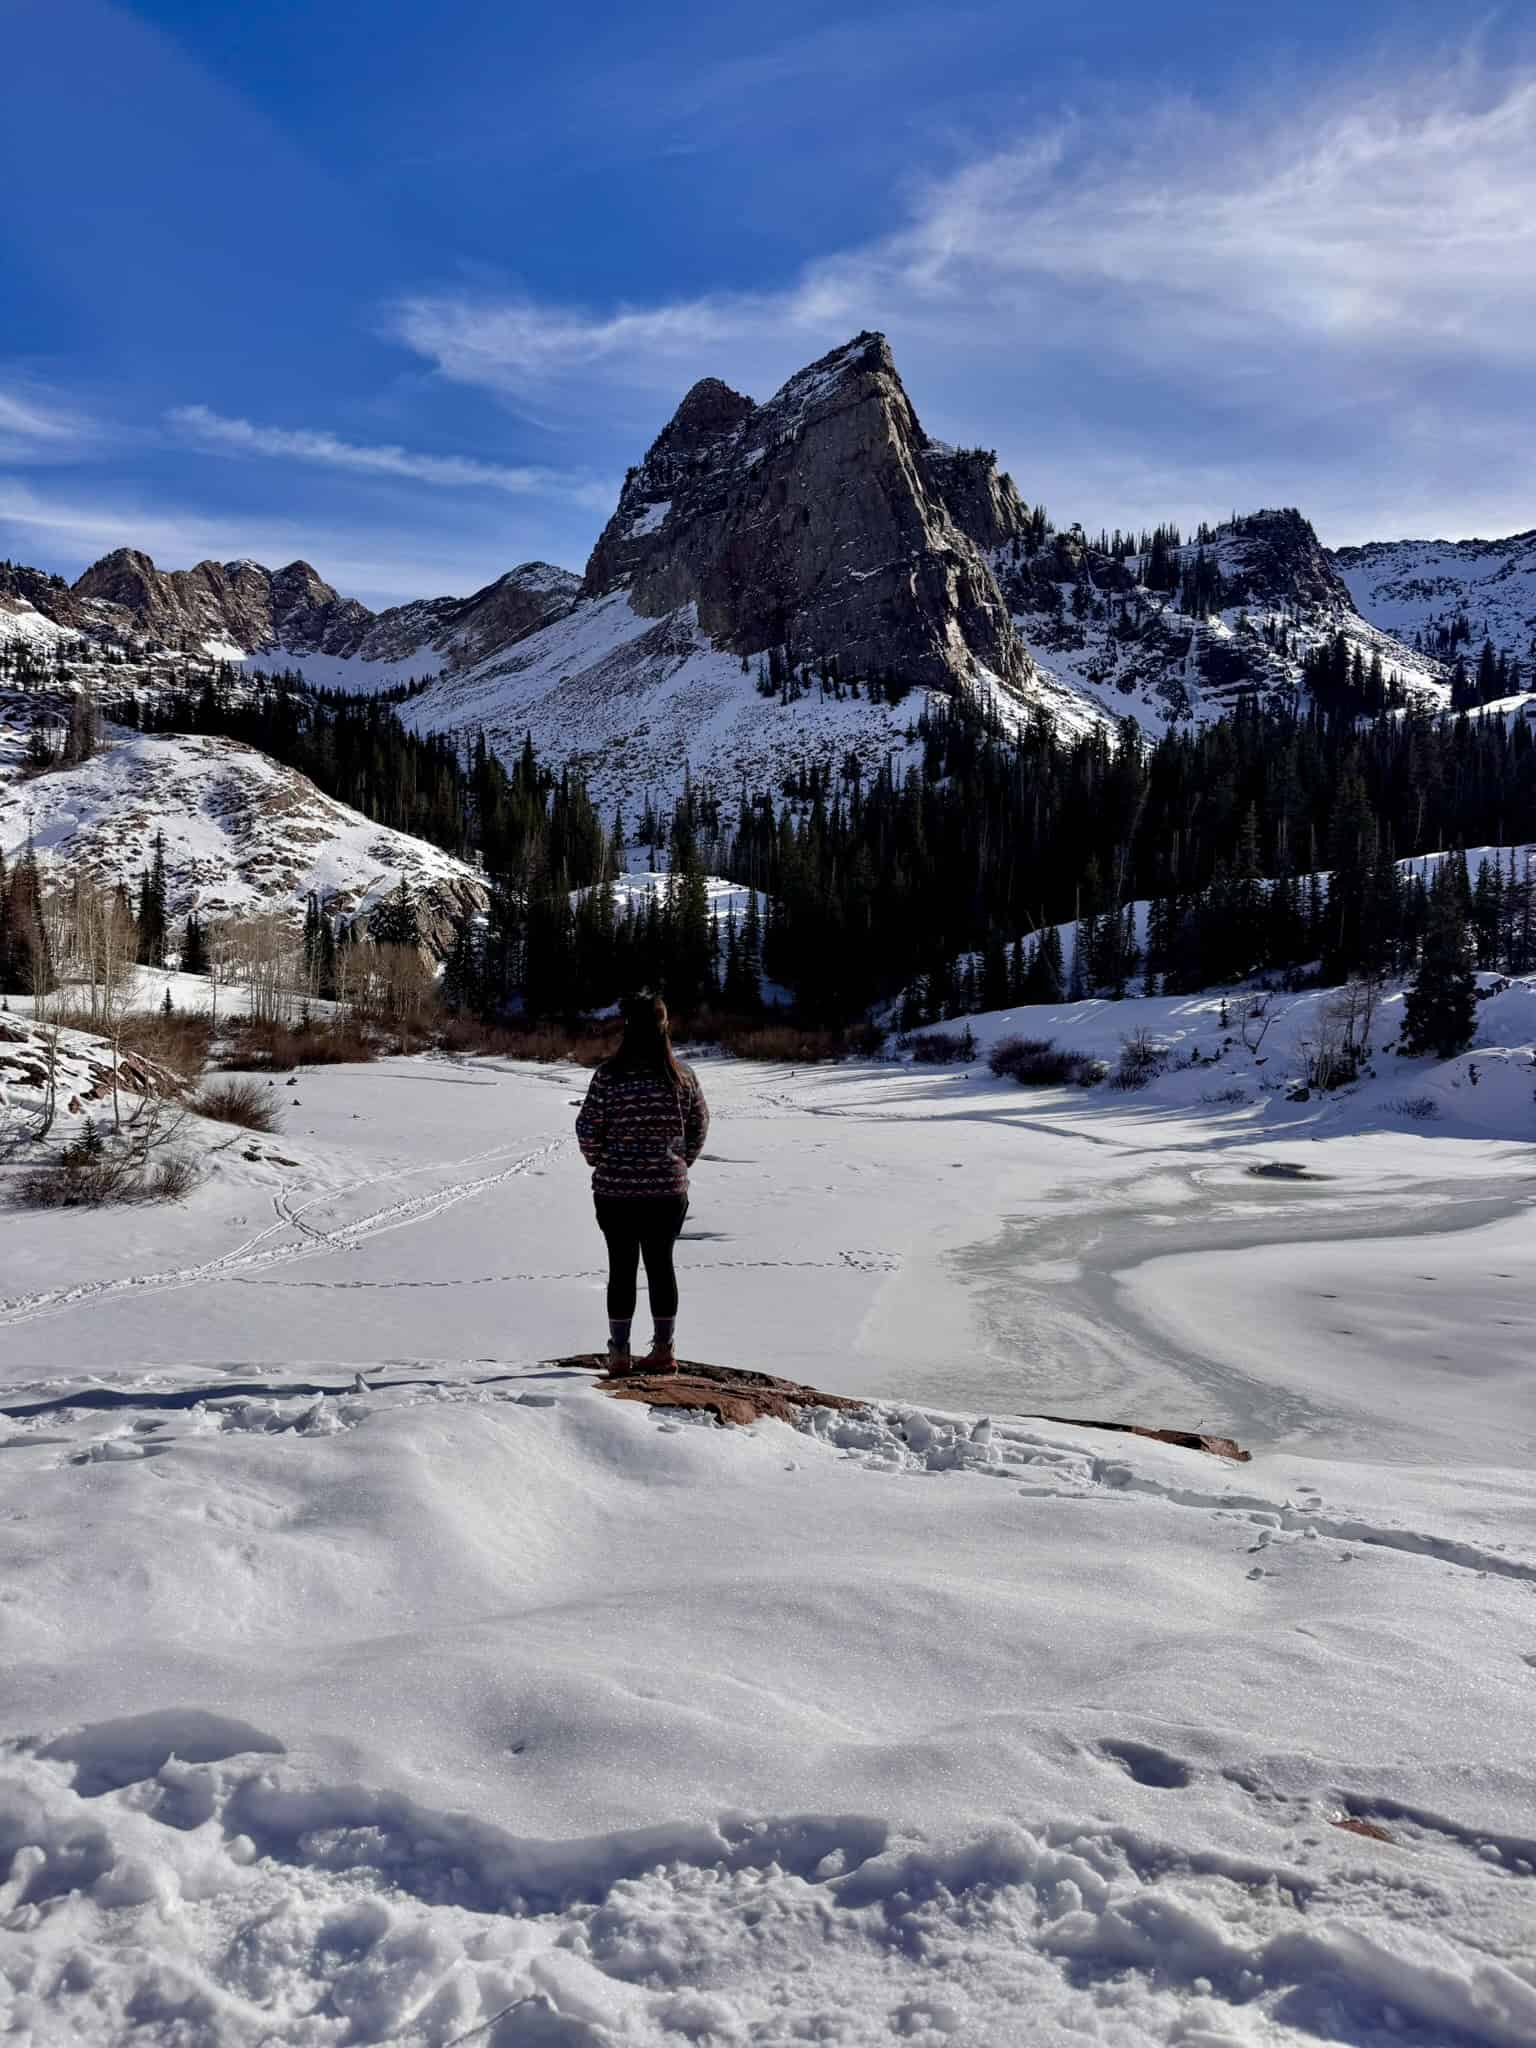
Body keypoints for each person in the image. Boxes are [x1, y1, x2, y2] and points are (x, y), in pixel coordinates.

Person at [575, 993, 709, 1375]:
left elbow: (587, 1130)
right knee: (661, 1266)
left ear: (627, 1028)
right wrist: (679, 1163)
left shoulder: (609, 1076)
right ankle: (664, 1351)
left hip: (616, 1191)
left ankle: (619, 1354)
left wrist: (600, 1159)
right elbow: (699, 1125)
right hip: (667, 1191)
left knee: (621, 1269)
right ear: (665, 1026)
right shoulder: (682, 1076)